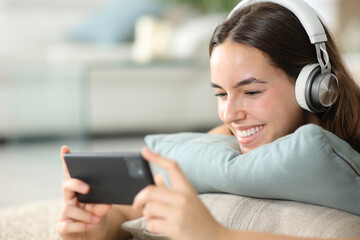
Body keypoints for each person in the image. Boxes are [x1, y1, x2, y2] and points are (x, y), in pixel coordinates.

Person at [56, 0, 360, 239]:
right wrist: (98, 227)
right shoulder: (224, 139)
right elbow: (131, 210)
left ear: (317, 86)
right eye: (221, 94)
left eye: (251, 92)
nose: (231, 114)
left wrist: (216, 235)